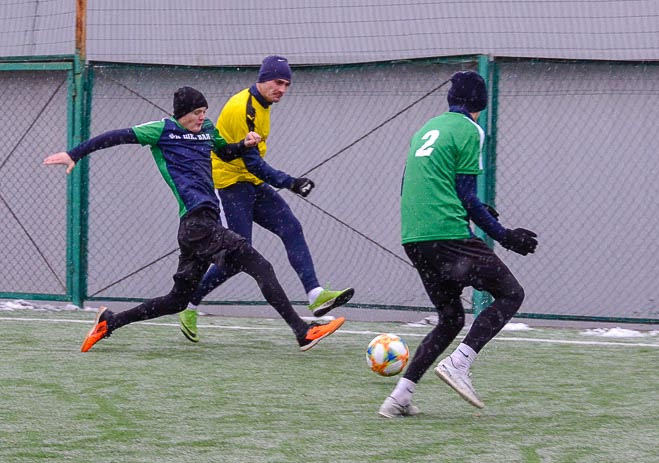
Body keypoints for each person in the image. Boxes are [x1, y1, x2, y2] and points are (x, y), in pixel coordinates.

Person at [43, 86, 345, 353]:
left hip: (196, 227)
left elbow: (224, 153)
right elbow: (116, 136)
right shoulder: (162, 130)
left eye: (204, 112)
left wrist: (244, 145)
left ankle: (110, 322)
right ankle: (302, 331)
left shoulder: (207, 130)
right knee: (260, 266)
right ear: (184, 113)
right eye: (198, 112)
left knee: (176, 301)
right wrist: (75, 153)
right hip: (198, 224)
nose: (202, 117)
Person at [378, 71, 538, 418]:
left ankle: (399, 398)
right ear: (479, 103)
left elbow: (413, 185)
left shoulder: (426, 128)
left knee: (450, 319)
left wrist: (477, 212)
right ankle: (460, 364)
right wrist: (504, 235)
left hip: (414, 236)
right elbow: (466, 195)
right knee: (511, 294)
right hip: (447, 234)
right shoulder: (470, 129)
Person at [177, 55, 353, 343]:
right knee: (236, 258)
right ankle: (191, 301)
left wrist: (286, 182)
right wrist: (291, 182)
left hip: (250, 182)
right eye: (277, 82)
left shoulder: (263, 104)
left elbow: (255, 167)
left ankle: (315, 295)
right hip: (231, 184)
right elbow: (253, 164)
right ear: (262, 79)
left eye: (286, 84)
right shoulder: (244, 108)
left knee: (291, 228)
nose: (282, 88)